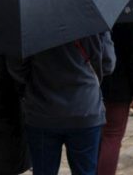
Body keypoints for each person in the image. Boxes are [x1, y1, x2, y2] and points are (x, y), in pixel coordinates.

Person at [8, 33, 115, 175]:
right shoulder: (93, 20)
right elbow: (108, 65)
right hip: (85, 108)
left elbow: (16, 68)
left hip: (42, 109)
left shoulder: (29, 23)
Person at [98, 24, 133, 175]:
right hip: (119, 85)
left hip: (91, 83)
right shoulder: (132, 16)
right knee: (111, 136)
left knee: (95, 137)